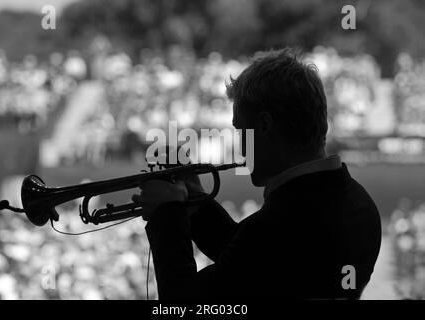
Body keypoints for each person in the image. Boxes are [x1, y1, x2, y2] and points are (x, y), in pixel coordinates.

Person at [132, 48, 382, 300]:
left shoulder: (277, 225)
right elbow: (253, 267)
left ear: (264, 126)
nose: (241, 148)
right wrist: (194, 201)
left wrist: (166, 215)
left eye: (242, 131)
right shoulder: (361, 205)